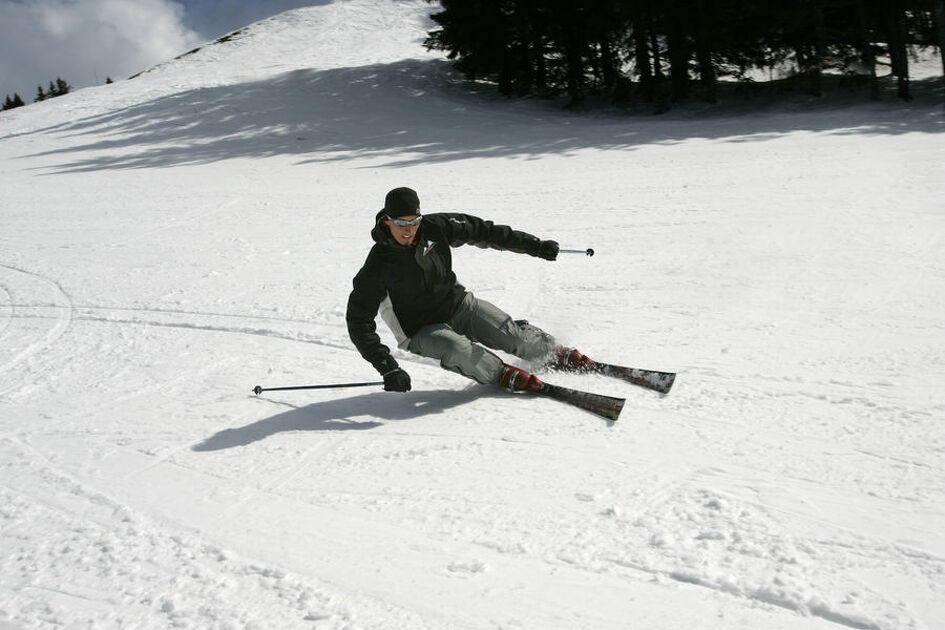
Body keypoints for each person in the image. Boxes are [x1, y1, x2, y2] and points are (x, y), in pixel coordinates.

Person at [346, 187, 592, 394]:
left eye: (414, 221)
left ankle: (553, 352)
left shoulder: (434, 227)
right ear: (388, 221)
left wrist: (534, 246)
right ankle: (503, 375)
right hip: (420, 329)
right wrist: (388, 367)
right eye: (401, 223)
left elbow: (483, 231)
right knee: (459, 350)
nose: (409, 229)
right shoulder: (378, 265)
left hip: (457, 305)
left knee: (513, 337)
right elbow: (358, 321)